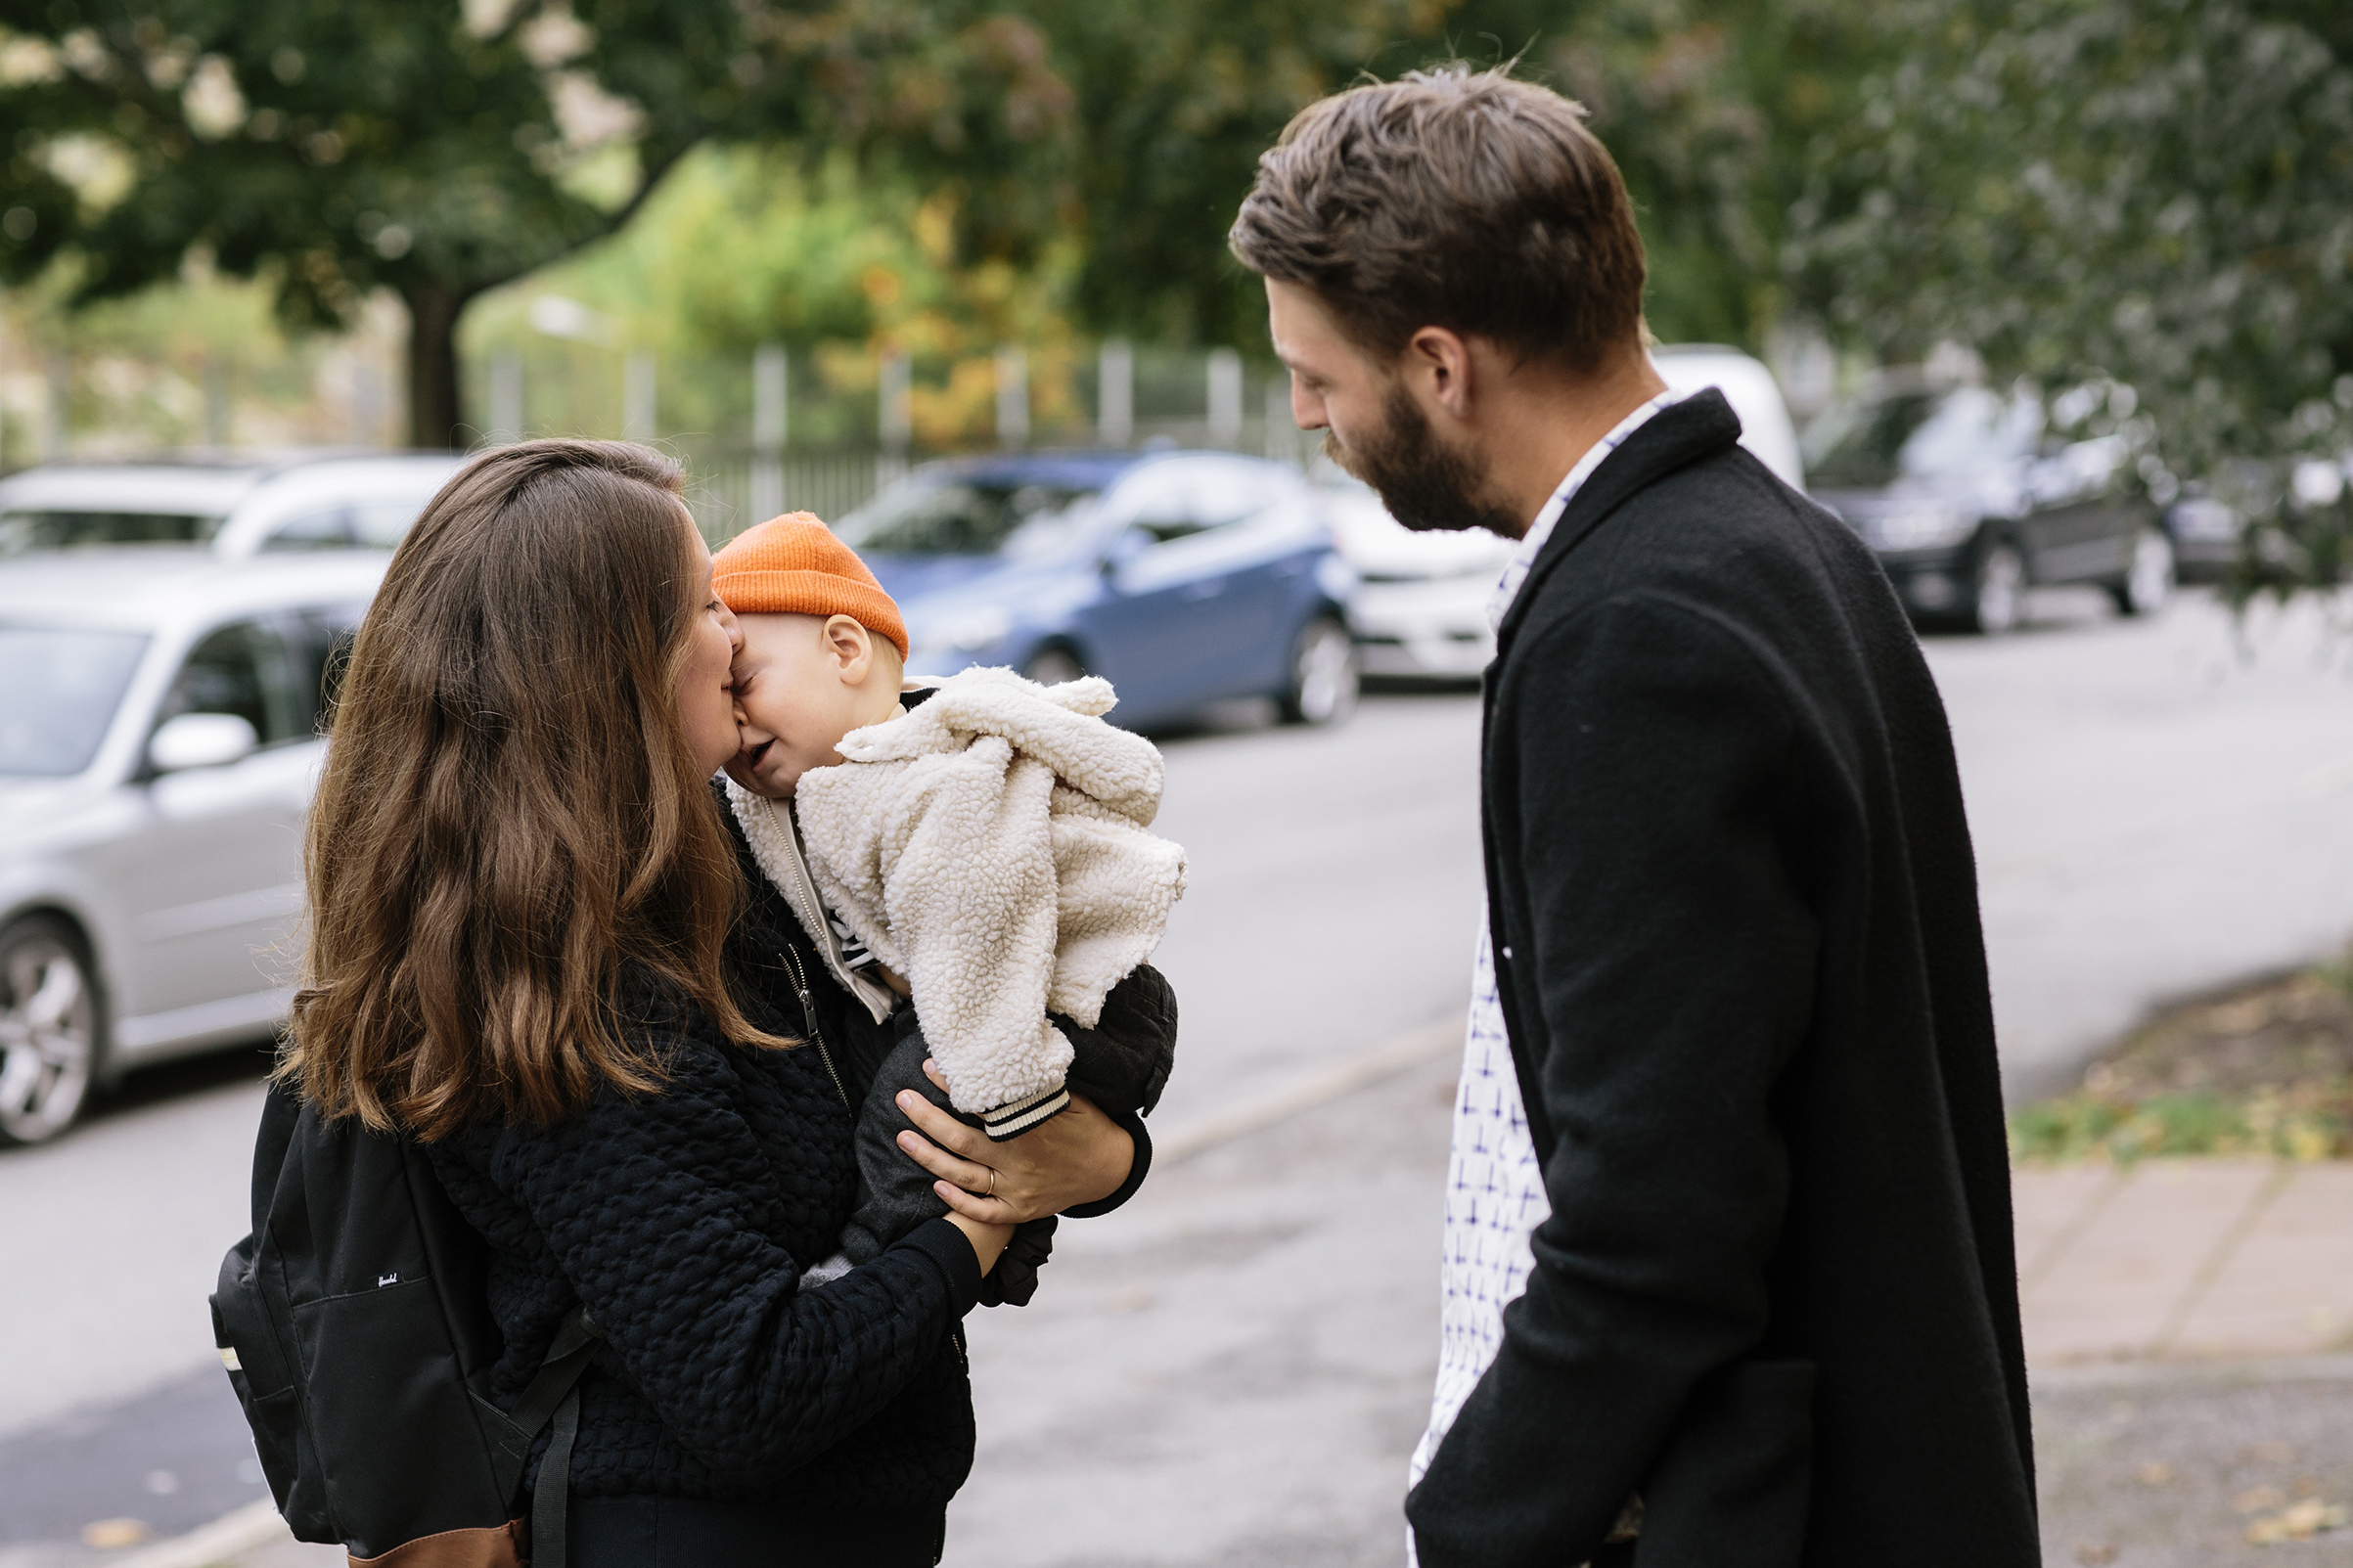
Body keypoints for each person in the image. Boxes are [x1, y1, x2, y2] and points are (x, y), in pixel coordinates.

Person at [1229, 66, 2038, 1568]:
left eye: (1318, 374)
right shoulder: (1780, 547)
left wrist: (1471, 1519)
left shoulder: (1639, 634)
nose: (1307, 415)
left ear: (1441, 364)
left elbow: (1659, 1219)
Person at [278, 440, 1148, 1567]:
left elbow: (1003, 1030)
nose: (735, 630)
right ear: (608, 667)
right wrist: (980, 1222)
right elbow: (751, 1388)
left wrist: (1101, 1160)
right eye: (701, 606)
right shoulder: (560, 983)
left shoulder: (731, 865)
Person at [710, 511, 1183, 1297]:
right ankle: (995, 1252)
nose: (734, 724)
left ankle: (858, 1268)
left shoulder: (936, 784)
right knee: (928, 1109)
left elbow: (978, 935)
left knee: (907, 1110)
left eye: (746, 684)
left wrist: (1013, 1099)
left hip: (1074, 1007)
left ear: (844, 649)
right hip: (1015, 1014)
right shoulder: (797, 792)